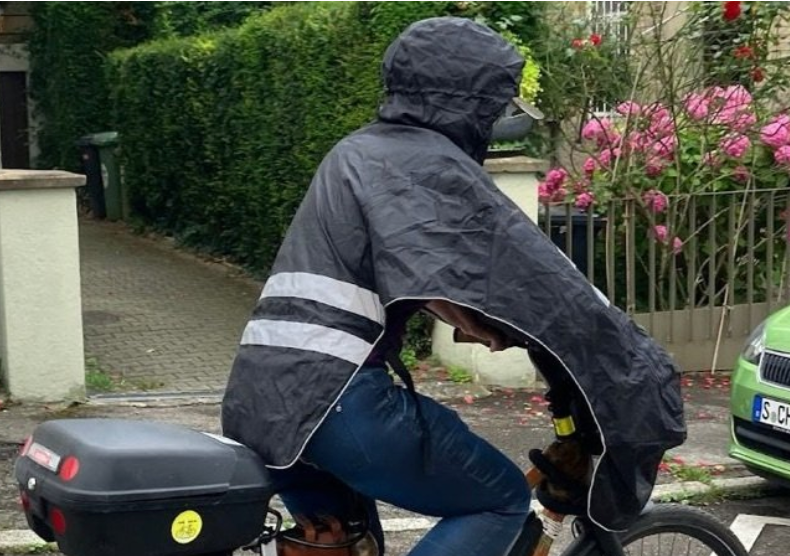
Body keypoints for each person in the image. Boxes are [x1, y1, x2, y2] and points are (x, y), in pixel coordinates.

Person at [222, 14, 686, 556]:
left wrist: (483, 323)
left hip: (262, 402)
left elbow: (425, 270)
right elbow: (532, 274)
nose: (496, 121)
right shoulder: (425, 163)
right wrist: (626, 357)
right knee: (500, 502)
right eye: (496, 106)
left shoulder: (358, 152)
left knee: (351, 544)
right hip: (337, 406)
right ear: (469, 101)